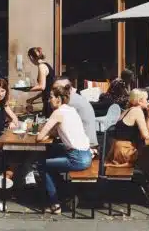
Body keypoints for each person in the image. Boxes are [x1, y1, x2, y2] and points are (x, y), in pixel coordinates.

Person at [105, 89, 149, 210]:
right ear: (139, 100)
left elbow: (146, 130)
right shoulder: (137, 111)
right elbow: (146, 135)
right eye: (146, 99)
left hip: (119, 150)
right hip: (126, 152)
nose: (148, 101)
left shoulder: (129, 110)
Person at [36, 83, 92, 215]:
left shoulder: (57, 113)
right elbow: (57, 132)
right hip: (87, 155)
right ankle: (63, 192)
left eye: (51, 97)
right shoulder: (70, 109)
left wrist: (45, 134)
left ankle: (55, 204)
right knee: (51, 154)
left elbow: (39, 137)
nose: (49, 100)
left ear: (58, 99)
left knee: (42, 165)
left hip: (77, 158)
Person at [55, 76, 98, 147]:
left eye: (57, 89)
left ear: (69, 89)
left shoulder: (70, 102)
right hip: (85, 142)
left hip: (86, 146)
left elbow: (59, 128)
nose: (54, 92)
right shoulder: (75, 98)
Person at [25, 47, 55, 117]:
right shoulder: (46, 65)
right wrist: (33, 99)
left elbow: (42, 87)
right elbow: (46, 88)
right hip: (49, 101)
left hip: (49, 102)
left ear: (31, 57)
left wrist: (25, 89)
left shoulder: (41, 66)